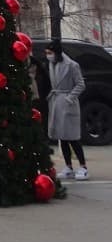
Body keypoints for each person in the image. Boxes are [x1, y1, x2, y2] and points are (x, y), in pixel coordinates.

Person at [46, 40, 88, 179]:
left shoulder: (72, 65)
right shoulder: (53, 64)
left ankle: (83, 166)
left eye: (50, 53)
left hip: (68, 103)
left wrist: (69, 98)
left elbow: (80, 84)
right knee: (62, 138)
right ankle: (68, 166)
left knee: (73, 138)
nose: (48, 56)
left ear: (57, 53)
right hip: (57, 102)